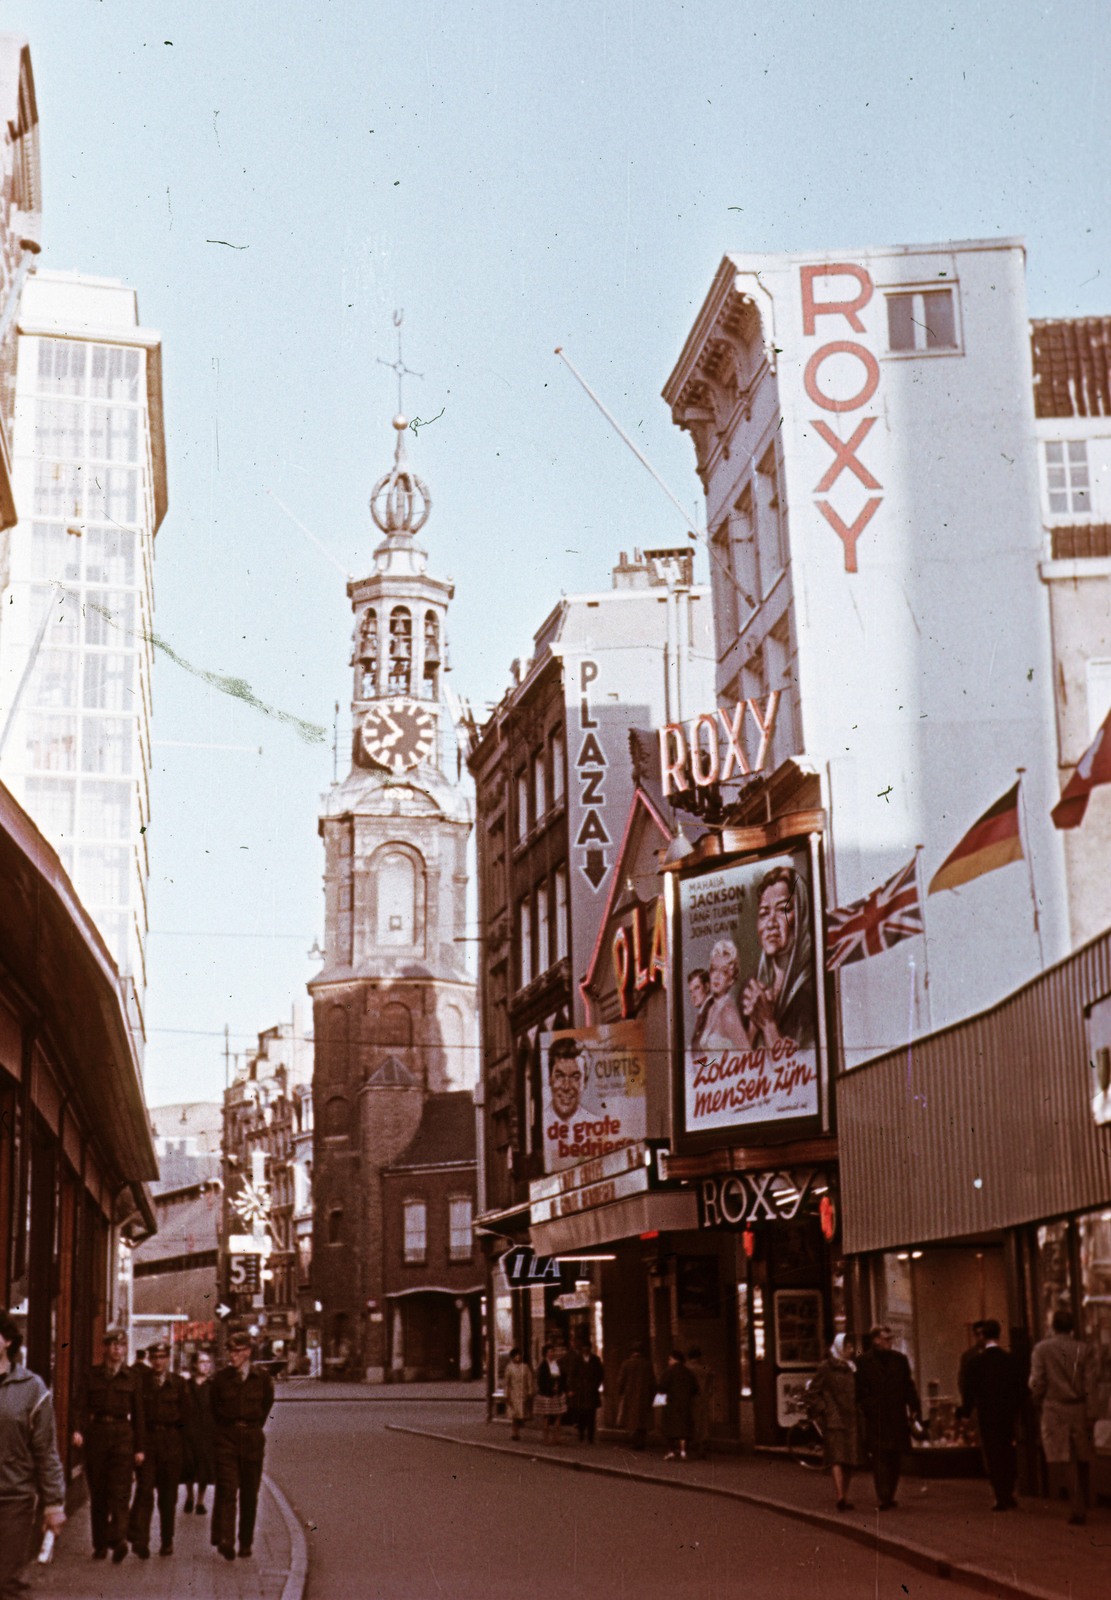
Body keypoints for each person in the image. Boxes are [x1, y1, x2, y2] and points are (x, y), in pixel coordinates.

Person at [0, 1309, 65, 1600]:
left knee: (6, 1581)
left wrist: (54, 1503)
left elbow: (46, 1451)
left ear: (8, 1340)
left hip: (13, 1499)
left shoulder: (31, 1388)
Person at [72, 1326, 145, 1562]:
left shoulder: (132, 1377)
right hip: (97, 1435)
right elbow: (80, 1406)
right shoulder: (91, 1376)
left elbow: (139, 1414)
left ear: (125, 1349)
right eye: (113, 1345)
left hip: (123, 1435)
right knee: (99, 1492)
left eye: (121, 1345)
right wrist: (77, 1430)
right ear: (106, 1347)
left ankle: (119, 1538)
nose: (117, 1349)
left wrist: (140, 1448)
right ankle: (100, 1544)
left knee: (121, 1491)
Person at [1030, 1308, 1098, 1525]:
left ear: (1053, 1326)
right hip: (1078, 1408)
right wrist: (1091, 1412)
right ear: (1072, 1328)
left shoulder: (1042, 1349)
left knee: (1065, 1457)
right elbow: (1090, 1384)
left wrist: (1037, 1399)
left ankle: (1077, 1505)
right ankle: (1085, 1500)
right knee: (1082, 1454)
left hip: (1054, 1407)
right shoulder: (1083, 1349)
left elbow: (1037, 1381)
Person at [211, 1332, 275, 1560]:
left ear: (248, 1352)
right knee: (228, 1490)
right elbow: (214, 1409)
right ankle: (227, 1539)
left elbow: (266, 1405)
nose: (232, 1355)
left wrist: (251, 1426)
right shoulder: (220, 1379)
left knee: (249, 1493)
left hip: (252, 1438)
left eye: (237, 1351)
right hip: (227, 1437)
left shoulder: (263, 1379)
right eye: (230, 1351)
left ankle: (245, 1542)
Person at [741, 865, 815, 1053]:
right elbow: (738, 1074)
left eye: (783, 910)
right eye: (764, 913)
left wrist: (768, 1025)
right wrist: (752, 1028)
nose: (771, 924)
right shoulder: (753, 990)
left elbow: (800, 1069)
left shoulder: (812, 989)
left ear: (802, 917)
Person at [128, 1340, 187, 1557]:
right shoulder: (141, 1383)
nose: (158, 1362)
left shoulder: (179, 1383)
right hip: (148, 1442)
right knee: (144, 1491)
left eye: (162, 1357)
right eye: (154, 1358)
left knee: (168, 1497)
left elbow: (185, 1418)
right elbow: (137, 1418)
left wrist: (182, 1449)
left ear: (168, 1359)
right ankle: (142, 1541)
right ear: (150, 1360)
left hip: (171, 1444)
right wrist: (138, 1447)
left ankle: (167, 1541)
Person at [959, 1319, 1025, 1512]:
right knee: (1008, 1451)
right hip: (1007, 1413)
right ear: (999, 1335)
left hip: (987, 1413)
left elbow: (968, 1390)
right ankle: (1009, 1490)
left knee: (993, 1453)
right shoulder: (1010, 1360)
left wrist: (966, 1412)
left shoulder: (976, 1362)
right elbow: (1021, 1387)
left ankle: (1000, 1495)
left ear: (983, 1337)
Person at [854, 1324, 921, 1510]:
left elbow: (909, 1385)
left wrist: (914, 1407)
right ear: (876, 1340)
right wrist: (870, 1406)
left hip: (896, 1413)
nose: (890, 1342)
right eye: (886, 1339)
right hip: (877, 1415)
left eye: (891, 1339)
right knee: (880, 1457)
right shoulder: (864, 1362)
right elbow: (860, 1390)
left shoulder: (900, 1360)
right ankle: (883, 1496)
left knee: (895, 1457)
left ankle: (889, 1494)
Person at [805, 1334, 863, 1510]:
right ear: (840, 1348)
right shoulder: (826, 1367)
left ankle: (844, 1495)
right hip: (834, 1418)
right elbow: (813, 1392)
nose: (852, 1351)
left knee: (850, 1459)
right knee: (837, 1457)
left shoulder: (853, 1368)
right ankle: (840, 1496)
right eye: (849, 1347)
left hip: (852, 1418)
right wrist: (824, 1409)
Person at [183, 1350, 217, 1515]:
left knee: (204, 1467)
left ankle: (200, 1501)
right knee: (189, 1465)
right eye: (202, 1362)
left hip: (207, 1432)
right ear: (195, 1365)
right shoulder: (186, 1386)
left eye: (208, 1362)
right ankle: (189, 1496)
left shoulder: (212, 1386)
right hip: (189, 1431)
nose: (206, 1365)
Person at [698, 941, 748, 1051]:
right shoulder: (711, 1008)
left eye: (724, 972)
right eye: (714, 969)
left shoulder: (729, 1013)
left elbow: (747, 1055)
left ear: (731, 980)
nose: (716, 976)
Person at [658, 1350, 699, 1461]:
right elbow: (695, 1389)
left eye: (670, 1359)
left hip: (671, 1404)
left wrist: (660, 1401)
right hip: (685, 1404)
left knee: (670, 1429)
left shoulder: (668, 1372)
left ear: (675, 1359)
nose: (669, 1361)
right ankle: (683, 1451)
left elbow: (662, 1387)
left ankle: (670, 1451)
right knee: (684, 1429)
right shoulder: (688, 1372)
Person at [616, 1341, 655, 1450]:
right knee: (642, 1420)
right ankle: (641, 1442)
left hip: (630, 1396)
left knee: (631, 1420)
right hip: (644, 1396)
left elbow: (621, 1381)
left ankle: (634, 1442)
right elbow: (652, 1381)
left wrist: (620, 1393)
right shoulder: (647, 1364)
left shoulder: (626, 1364)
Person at [566, 1337, 604, 1444]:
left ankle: (591, 1437)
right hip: (580, 1391)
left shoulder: (595, 1360)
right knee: (581, 1414)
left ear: (590, 1349)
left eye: (587, 1348)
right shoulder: (577, 1360)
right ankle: (581, 1433)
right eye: (584, 1348)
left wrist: (595, 1385)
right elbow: (572, 1375)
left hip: (591, 1391)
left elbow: (600, 1374)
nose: (586, 1350)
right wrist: (572, 1388)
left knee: (591, 1414)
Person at [685, 1346, 716, 1461]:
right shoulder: (706, 1369)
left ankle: (688, 1447)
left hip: (690, 1399)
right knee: (703, 1424)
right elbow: (711, 1388)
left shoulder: (686, 1368)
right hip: (703, 1399)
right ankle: (701, 1447)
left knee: (690, 1422)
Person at [534, 1344, 566, 1445]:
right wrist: (551, 1387)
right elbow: (541, 1381)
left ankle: (557, 1438)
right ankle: (546, 1439)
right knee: (547, 1416)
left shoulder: (557, 1364)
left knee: (558, 1416)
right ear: (545, 1354)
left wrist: (559, 1387)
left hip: (557, 1393)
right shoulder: (543, 1365)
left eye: (552, 1352)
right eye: (549, 1352)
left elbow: (562, 1377)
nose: (551, 1354)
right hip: (547, 1394)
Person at [503, 1348, 534, 1441]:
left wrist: (530, 1391)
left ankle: (517, 1431)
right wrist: (506, 1394)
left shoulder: (525, 1367)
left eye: (519, 1355)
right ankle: (514, 1432)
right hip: (513, 1394)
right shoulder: (509, 1368)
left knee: (521, 1415)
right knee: (515, 1415)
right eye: (516, 1355)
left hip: (523, 1394)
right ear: (513, 1357)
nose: (518, 1357)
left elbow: (529, 1380)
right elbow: (506, 1383)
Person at [687, 970, 711, 1050]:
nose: (693, 996)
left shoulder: (711, 1011)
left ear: (707, 987)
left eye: (697, 988)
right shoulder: (704, 1013)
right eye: (691, 991)